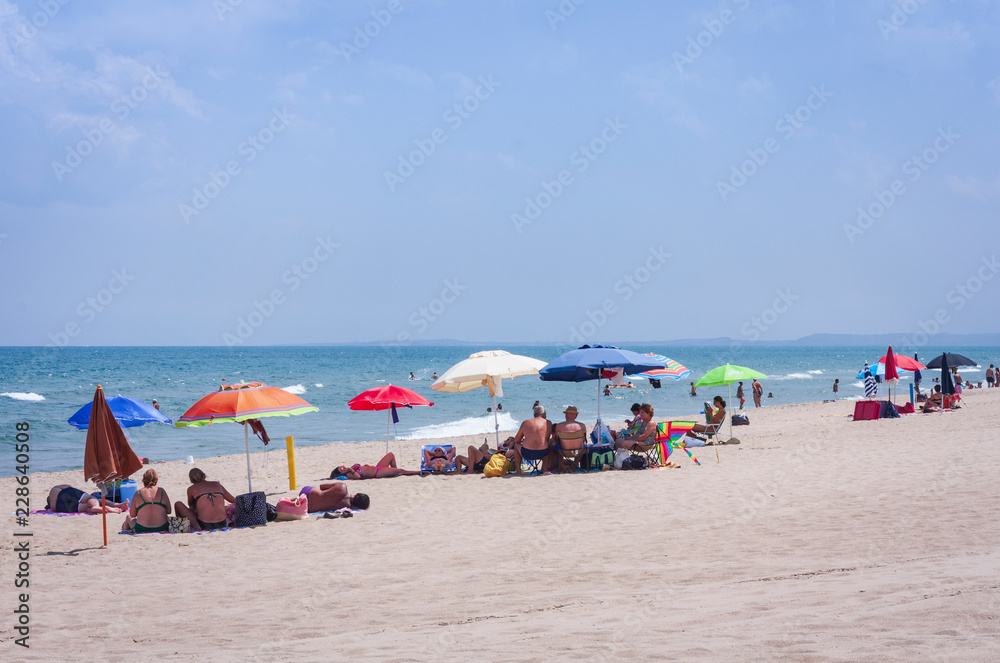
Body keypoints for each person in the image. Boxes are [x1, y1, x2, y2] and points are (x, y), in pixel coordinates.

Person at [122, 469, 171, 533]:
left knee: (128, 517)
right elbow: (169, 511)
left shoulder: (138, 493)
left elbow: (132, 514)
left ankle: (124, 530)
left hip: (142, 528)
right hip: (163, 527)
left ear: (144, 480)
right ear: (156, 480)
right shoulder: (161, 491)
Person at [513, 404, 553, 475]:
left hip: (527, 453)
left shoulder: (526, 422)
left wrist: (524, 441)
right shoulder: (548, 423)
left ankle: (518, 472)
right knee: (548, 445)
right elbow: (546, 439)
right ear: (543, 414)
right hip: (543, 453)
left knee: (516, 445)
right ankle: (544, 470)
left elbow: (516, 440)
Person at [329, 452, 422, 479]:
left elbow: (363, 469)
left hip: (377, 467)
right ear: (341, 473)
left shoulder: (350, 470)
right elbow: (357, 478)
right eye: (341, 469)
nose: (343, 467)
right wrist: (350, 470)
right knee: (401, 470)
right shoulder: (348, 474)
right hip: (377, 473)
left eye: (341, 466)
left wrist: (366, 466)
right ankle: (418, 472)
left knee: (391, 455)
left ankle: (394, 472)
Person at [47, 485, 129, 514]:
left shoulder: (53, 507)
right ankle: (96, 506)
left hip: (59, 507)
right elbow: (68, 486)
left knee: (86, 508)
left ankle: (112, 507)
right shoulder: (53, 490)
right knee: (91, 498)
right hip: (64, 493)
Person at [554, 405, 587, 472]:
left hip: (563, 451)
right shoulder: (582, 426)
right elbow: (583, 440)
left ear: (566, 415)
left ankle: (563, 468)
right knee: (583, 447)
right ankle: (574, 467)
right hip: (579, 451)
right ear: (576, 416)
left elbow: (556, 440)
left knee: (555, 447)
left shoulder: (559, 426)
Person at [298, 482, 369, 512]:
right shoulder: (346, 506)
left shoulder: (342, 486)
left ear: (358, 493)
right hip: (309, 508)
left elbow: (322, 486)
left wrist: (327, 493)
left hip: (308, 492)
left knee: (319, 493)